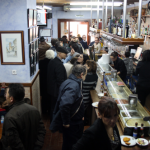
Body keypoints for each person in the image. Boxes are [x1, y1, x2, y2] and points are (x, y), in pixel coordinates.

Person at [50, 65, 87, 150]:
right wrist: (66, 122)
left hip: (75, 120)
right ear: (81, 75)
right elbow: (64, 104)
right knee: (71, 145)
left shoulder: (70, 81)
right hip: (73, 124)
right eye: (85, 75)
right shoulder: (73, 86)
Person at [1, 84, 46, 150]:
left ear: (11, 99)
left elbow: (14, 143)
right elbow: (42, 130)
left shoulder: (9, 117)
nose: (5, 96)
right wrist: (38, 146)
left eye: (6, 94)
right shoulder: (34, 109)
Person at [47, 46, 68, 121]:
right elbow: (60, 80)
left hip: (51, 89)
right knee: (55, 108)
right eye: (65, 53)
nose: (66, 54)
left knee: (53, 107)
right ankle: (54, 124)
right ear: (59, 53)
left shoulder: (52, 61)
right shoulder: (58, 64)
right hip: (56, 91)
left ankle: (52, 122)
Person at [83, 60, 98, 125]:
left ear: (89, 67)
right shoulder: (95, 76)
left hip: (81, 96)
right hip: (87, 98)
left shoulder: (83, 75)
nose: (84, 65)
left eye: (85, 64)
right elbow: (93, 88)